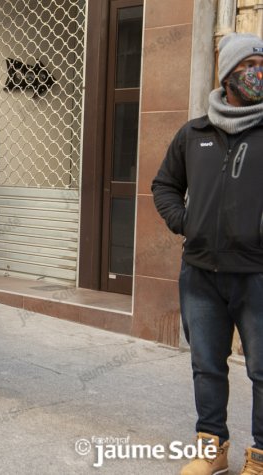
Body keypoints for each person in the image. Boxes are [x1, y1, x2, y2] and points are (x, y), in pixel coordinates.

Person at [153, 33, 263, 475]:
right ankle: (212, 446)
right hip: (199, 273)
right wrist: (185, 222)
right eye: (250, 66)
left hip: (256, 274)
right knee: (206, 364)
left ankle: (260, 454)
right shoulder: (193, 132)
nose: (258, 74)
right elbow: (164, 185)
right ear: (228, 76)